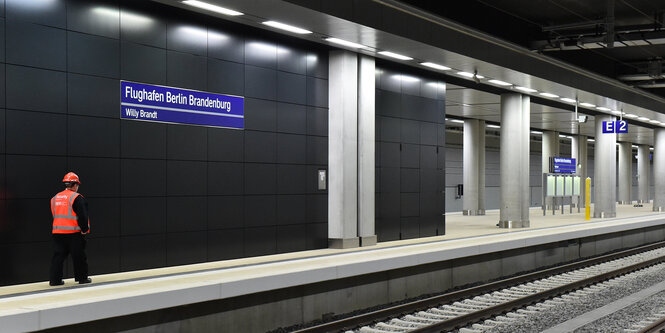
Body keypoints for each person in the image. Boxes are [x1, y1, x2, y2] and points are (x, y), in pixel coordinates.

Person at [49, 172, 91, 286]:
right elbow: (82, 216)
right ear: (75, 185)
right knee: (79, 256)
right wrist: (84, 229)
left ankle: (55, 280)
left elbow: (55, 214)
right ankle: (82, 278)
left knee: (58, 257)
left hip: (58, 233)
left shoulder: (55, 198)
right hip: (73, 233)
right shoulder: (76, 198)